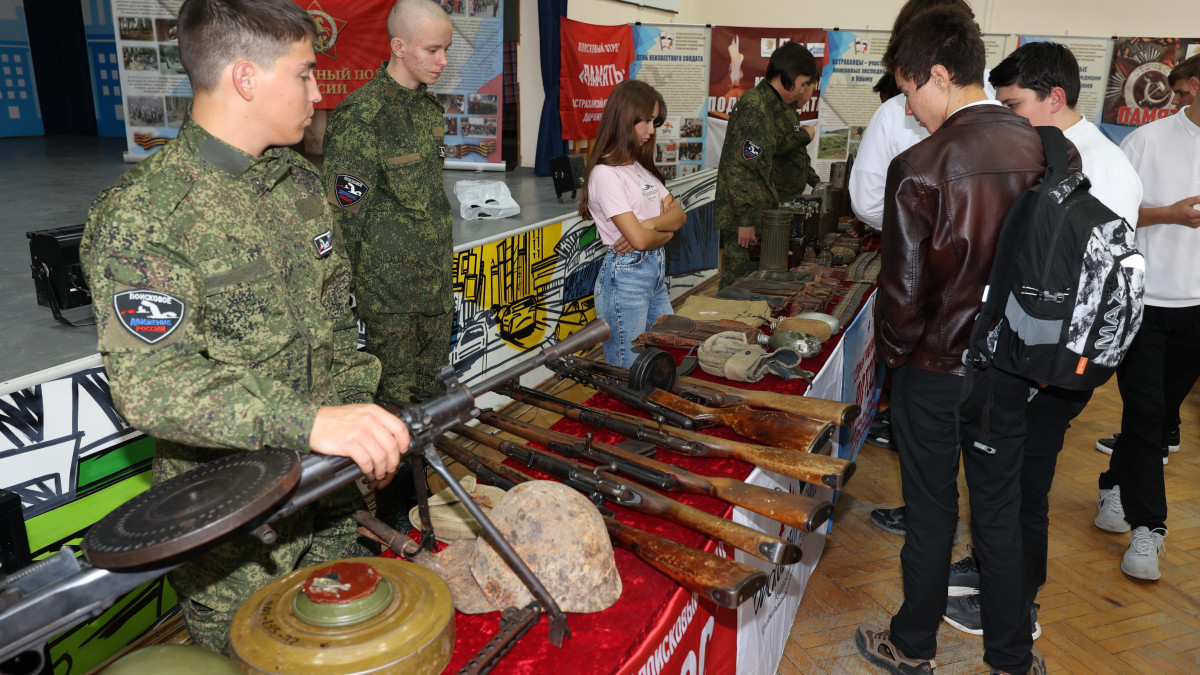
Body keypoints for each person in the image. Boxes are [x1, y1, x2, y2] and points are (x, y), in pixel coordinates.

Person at [80, 0, 411, 654]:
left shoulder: (299, 184)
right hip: (234, 534)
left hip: (329, 501)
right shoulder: (147, 215)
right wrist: (312, 423)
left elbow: (335, 328)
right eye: (305, 74)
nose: (319, 94)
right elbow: (154, 386)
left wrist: (360, 426)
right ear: (245, 78)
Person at [854, 7, 1078, 674]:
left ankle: (912, 646)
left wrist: (895, 364)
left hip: (933, 368)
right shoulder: (1043, 148)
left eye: (908, 90)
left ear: (939, 76)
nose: (907, 107)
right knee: (999, 514)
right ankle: (1011, 658)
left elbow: (902, 297)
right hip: (1010, 367)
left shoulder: (920, 164)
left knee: (930, 512)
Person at [934, 39, 1146, 637]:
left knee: (1025, 486)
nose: (1008, 117)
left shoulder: (1102, 168)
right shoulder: (1048, 152)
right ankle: (991, 568)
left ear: (1055, 97)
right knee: (1002, 478)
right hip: (1023, 353)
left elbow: (1095, 291)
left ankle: (1017, 606)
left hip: (1053, 367)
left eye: (1014, 105)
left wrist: (1044, 374)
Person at [322, 0, 454, 530]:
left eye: (446, 50)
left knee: (431, 397)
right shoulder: (361, 118)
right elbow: (342, 219)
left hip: (434, 286)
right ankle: (395, 516)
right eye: (433, 50)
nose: (443, 61)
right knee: (395, 408)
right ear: (399, 46)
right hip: (390, 296)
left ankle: (424, 499)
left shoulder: (428, 111)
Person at [1090, 53, 1200, 580]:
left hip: (1197, 309)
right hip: (1146, 301)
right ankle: (1149, 527)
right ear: (1195, 87)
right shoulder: (1147, 141)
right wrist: (1168, 214)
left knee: (1157, 416)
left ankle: (1114, 483)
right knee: (1147, 412)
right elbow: (1111, 213)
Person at [578, 79, 686, 368]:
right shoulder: (605, 174)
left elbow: (680, 216)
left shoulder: (639, 168)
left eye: (654, 122)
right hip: (625, 279)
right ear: (626, 118)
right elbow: (638, 240)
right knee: (629, 369)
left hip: (654, 273)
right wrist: (664, 231)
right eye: (646, 121)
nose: (652, 130)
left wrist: (648, 225)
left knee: (664, 356)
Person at [714, 41, 821, 289]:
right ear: (789, 75)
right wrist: (745, 220)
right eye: (803, 84)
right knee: (737, 286)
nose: (802, 91)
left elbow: (766, 164)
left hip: (760, 213)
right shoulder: (755, 106)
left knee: (757, 284)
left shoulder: (770, 104)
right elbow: (740, 169)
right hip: (746, 218)